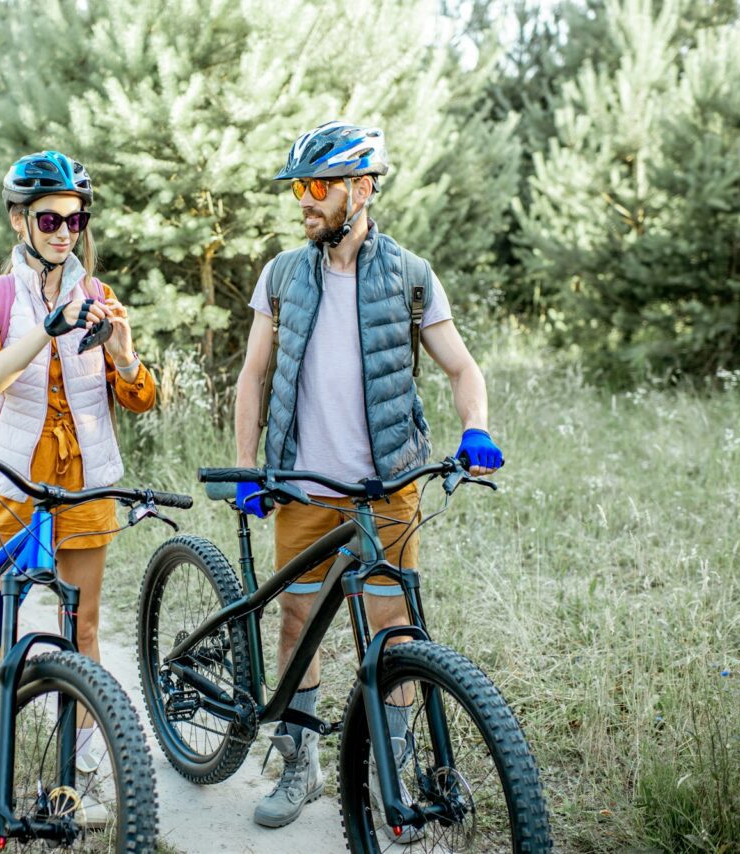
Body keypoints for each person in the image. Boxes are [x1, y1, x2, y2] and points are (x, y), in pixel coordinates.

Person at [232, 122, 504, 836]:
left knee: (395, 636)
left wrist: (475, 426)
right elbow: (253, 377)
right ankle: (300, 762)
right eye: (299, 188)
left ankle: (393, 769)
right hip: (304, 487)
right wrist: (247, 468)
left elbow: (461, 368)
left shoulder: (410, 275)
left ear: (363, 188)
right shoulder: (283, 274)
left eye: (317, 187)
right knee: (296, 624)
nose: (304, 202)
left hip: (387, 488)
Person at [0, 150, 157, 842]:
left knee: (82, 631)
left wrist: (121, 351)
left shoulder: (99, 293)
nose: (64, 231)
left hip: (83, 485)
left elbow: (139, 397)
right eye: (50, 218)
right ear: (20, 219)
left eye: (75, 219)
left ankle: (82, 770)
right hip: (11, 485)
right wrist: (40, 334)